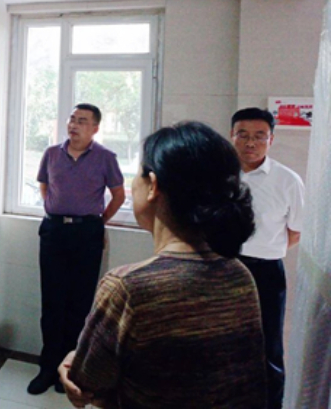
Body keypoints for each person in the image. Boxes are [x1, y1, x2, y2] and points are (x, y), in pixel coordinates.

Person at [59, 121, 267, 409]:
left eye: (138, 174)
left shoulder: (129, 287)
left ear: (153, 186)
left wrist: (72, 362)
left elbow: (87, 383)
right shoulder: (239, 274)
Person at [28, 103, 126, 395]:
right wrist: (54, 209)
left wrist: (98, 222)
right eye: (72, 119)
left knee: (80, 304)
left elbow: (118, 196)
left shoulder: (106, 157)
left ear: (95, 128)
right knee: (52, 302)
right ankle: (47, 368)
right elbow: (44, 186)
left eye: (82, 121)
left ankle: (69, 370)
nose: (74, 124)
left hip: (87, 233)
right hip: (54, 231)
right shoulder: (51, 153)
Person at [231, 107, 304, 409]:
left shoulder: (288, 181)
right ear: (231, 136)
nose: (251, 142)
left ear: (271, 140)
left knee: (268, 346)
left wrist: (266, 250)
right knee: (224, 340)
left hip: (266, 272)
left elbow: (295, 232)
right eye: (243, 135)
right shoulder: (217, 177)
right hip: (224, 268)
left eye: (259, 136)